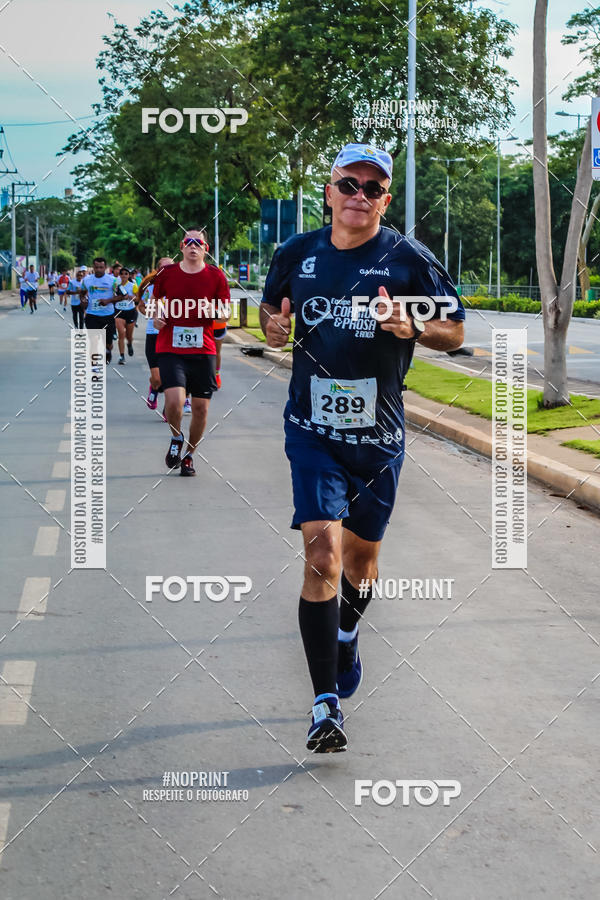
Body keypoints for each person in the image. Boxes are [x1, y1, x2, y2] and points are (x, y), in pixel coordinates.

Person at [260, 143, 465, 753]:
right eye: (348, 183)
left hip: (379, 435)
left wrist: (412, 326)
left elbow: (455, 331)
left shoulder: (409, 258)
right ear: (329, 191)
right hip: (311, 427)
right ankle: (325, 705)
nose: (359, 195)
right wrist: (273, 328)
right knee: (321, 550)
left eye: (372, 188)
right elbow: (271, 315)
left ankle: (348, 632)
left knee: (361, 560)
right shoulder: (296, 253)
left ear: (385, 199)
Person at [152, 229, 229, 476]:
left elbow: (226, 313)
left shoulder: (216, 276)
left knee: (201, 409)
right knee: (174, 402)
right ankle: (176, 437)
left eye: (199, 242)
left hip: (203, 350)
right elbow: (154, 302)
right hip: (170, 347)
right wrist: (156, 316)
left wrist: (212, 312)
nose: (193, 246)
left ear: (206, 248)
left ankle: (189, 455)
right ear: (182, 247)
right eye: (189, 242)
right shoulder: (167, 273)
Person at [137, 257, 174, 411]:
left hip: (173, 335)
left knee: (172, 376)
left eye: (170, 268)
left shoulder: (179, 286)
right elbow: (141, 306)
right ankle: (154, 388)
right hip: (154, 335)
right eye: (163, 268)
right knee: (158, 378)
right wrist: (152, 315)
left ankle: (170, 408)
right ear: (158, 270)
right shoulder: (150, 288)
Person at [80, 257, 116, 363]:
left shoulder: (112, 280)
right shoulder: (86, 280)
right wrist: (83, 301)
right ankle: (95, 365)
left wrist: (108, 300)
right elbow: (82, 294)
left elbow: (122, 296)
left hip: (108, 315)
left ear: (105, 267)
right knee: (94, 341)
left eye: (101, 267)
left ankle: (108, 350)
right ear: (93, 267)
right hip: (92, 315)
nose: (99, 269)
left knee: (108, 343)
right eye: (96, 267)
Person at [113, 266, 138, 363]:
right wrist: (119, 297)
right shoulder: (115, 285)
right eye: (122, 273)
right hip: (119, 311)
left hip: (130, 311)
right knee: (121, 334)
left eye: (126, 274)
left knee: (129, 336)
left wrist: (129, 297)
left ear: (128, 275)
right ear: (119, 275)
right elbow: (112, 297)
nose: (123, 275)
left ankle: (129, 344)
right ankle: (122, 356)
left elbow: (138, 299)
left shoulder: (133, 285)